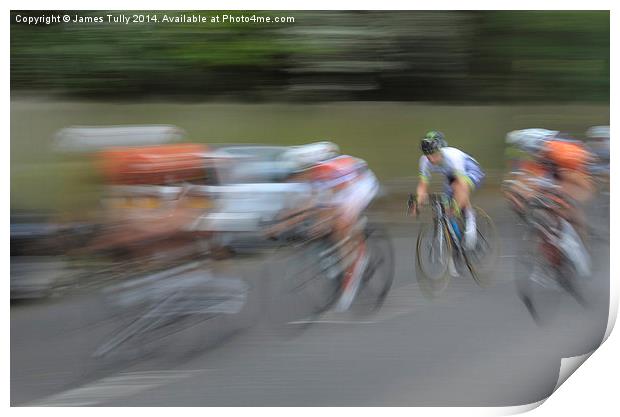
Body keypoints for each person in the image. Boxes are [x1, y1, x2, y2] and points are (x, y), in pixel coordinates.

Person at [411, 131, 485, 250]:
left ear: (440, 150)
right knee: (444, 205)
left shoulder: (452, 157)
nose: (430, 158)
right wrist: (417, 202)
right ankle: (457, 243)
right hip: (452, 175)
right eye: (427, 154)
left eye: (433, 154)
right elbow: (423, 185)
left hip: (471, 170)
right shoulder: (424, 161)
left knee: (457, 190)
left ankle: (470, 219)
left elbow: (462, 185)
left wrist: (455, 208)